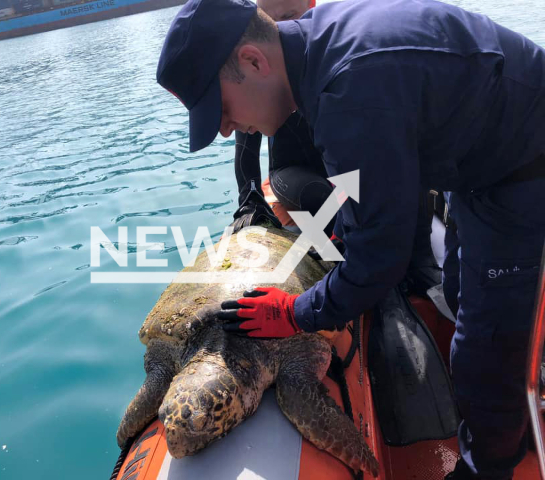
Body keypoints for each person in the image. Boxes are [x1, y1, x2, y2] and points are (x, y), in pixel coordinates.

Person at [155, 0, 545, 478]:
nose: (225, 128)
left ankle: (490, 463)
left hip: (522, 166)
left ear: (255, 62)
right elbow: (376, 155)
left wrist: (293, 313)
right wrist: (351, 216)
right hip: (479, 154)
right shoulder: (319, 50)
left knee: (485, 339)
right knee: (462, 289)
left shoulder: (348, 93)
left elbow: (379, 261)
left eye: (221, 109)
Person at [232, 0, 441, 297]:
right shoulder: (262, 70)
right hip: (296, 169)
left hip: (348, 161)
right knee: (328, 198)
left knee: (408, 171)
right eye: (270, 20)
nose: (281, 28)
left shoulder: (334, 54)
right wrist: (250, 196)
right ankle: (355, 271)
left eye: (290, 16)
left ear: (312, 4)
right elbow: (245, 131)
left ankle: (421, 258)